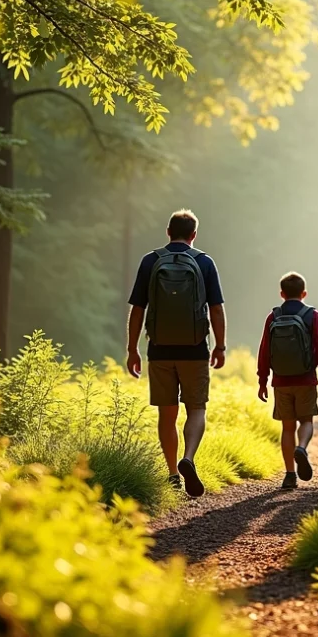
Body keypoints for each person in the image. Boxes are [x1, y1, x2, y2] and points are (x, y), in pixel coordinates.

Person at [126, 209, 226, 498]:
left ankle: (172, 474)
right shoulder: (204, 262)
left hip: (159, 350)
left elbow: (137, 309)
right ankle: (189, 458)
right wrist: (219, 346)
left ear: (167, 232)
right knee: (196, 408)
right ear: (194, 235)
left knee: (166, 414)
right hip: (195, 350)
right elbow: (216, 309)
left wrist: (133, 350)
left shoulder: (151, 260)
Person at [257, 272, 318, 490]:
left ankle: (290, 475)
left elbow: (264, 351)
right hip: (306, 379)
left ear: (282, 294)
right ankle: (302, 447)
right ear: (304, 293)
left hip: (281, 381)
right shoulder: (312, 316)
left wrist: (263, 380)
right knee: (306, 420)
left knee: (287, 427)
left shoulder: (273, 317)